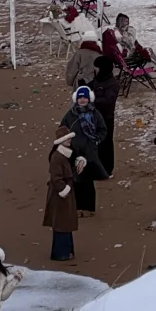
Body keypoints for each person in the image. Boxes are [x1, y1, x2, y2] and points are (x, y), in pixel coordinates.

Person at [59, 86, 108, 216]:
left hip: (90, 152)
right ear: (76, 99)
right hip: (75, 151)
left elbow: (103, 130)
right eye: (80, 97)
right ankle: (78, 208)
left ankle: (90, 208)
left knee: (88, 181)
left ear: (89, 98)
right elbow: (62, 130)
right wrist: (67, 144)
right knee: (76, 180)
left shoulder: (95, 114)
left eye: (85, 97)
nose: (82, 100)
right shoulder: (70, 115)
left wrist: (97, 140)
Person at [44, 127, 83, 261]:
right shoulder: (57, 157)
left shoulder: (64, 154)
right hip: (60, 195)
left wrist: (80, 160)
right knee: (62, 222)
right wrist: (64, 190)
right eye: (67, 139)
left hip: (64, 192)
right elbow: (56, 178)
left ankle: (65, 252)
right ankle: (62, 253)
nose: (70, 140)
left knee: (64, 222)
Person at [90, 55, 120, 175]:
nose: (95, 70)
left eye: (97, 67)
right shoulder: (98, 79)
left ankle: (107, 169)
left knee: (106, 143)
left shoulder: (112, 83)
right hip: (95, 117)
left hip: (106, 118)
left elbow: (108, 100)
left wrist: (93, 99)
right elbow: (91, 86)